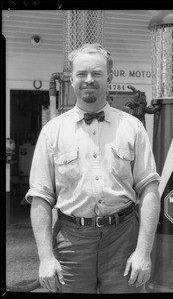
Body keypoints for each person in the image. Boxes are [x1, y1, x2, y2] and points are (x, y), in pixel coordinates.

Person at [25, 43, 161, 294]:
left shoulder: (132, 128)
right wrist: (45, 257)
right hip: (71, 242)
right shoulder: (52, 132)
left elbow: (150, 191)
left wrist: (143, 252)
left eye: (96, 73)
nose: (89, 79)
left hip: (124, 238)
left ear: (109, 77)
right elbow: (41, 198)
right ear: (72, 78)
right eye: (82, 74)